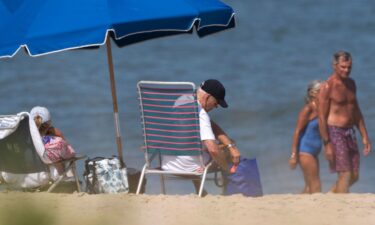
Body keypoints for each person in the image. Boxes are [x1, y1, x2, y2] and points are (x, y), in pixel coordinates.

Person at [161, 79, 241, 194]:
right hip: (190, 167)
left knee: (194, 147)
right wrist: (227, 168)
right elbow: (213, 150)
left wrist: (230, 144)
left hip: (167, 164)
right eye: (216, 103)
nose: (216, 106)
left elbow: (210, 124)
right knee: (221, 152)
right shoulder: (201, 115)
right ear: (207, 97)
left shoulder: (181, 101)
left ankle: (200, 189)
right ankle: (228, 191)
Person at [318, 51, 372, 193]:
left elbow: (356, 111)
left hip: (350, 132)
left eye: (349, 67)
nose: (346, 70)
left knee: (354, 175)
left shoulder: (351, 84)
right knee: (345, 173)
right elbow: (321, 117)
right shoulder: (327, 87)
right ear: (334, 65)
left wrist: (365, 135)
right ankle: (341, 207)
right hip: (335, 132)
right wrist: (327, 144)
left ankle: (331, 195)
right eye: (343, 67)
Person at [289, 80, 323, 194]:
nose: (326, 93)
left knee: (309, 186)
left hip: (313, 152)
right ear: (313, 93)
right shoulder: (308, 109)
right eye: (322, 91)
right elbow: (297, 132)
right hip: (305, 151)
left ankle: (296, 207)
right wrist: (293, 155)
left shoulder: (321, 109)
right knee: (315, 185)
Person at [30, 106, 76, 174]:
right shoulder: (56, 143)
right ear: (49, 123)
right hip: (50, 179)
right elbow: (71, 153)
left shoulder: (26, 142)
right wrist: (60, 135)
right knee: (66, 160)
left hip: (29, 177)